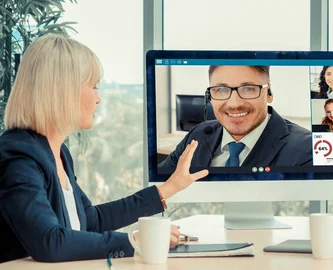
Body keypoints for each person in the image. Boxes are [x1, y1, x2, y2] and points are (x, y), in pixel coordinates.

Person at [0, 34, 209, 263]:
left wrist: (168, 188)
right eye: (94, 86)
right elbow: (50, 242)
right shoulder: (19, 158)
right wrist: (135, 242)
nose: (98, 99)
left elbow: (91, 221)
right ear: (63, 90)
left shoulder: (57, 152)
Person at [158, 66, 313, 176]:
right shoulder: (198, 135)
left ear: (269, 93)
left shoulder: (307, 148)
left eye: (248, 89)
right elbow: (160, 185)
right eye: (221, 90)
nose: (234, 104)